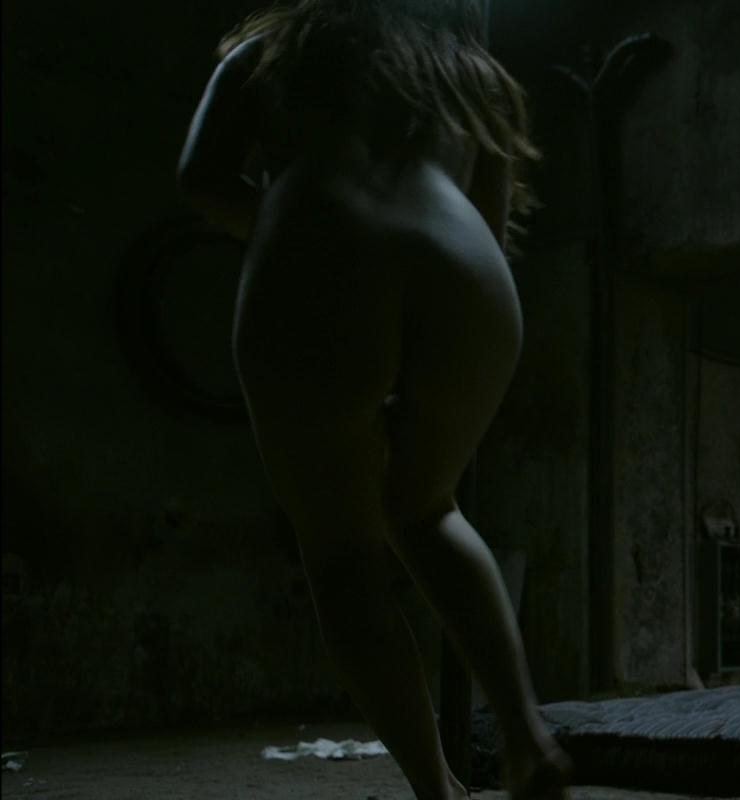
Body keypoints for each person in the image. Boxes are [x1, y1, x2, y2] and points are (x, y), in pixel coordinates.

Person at [176, 2, 566, 797]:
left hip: (316, 238)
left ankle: (437, 791)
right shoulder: (469, 74)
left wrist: (285, 228)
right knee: (426, 510)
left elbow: (200, 178)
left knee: (342, 556)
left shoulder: (275, 48)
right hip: (467, 268)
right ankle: (527, 737)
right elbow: (493, 222)